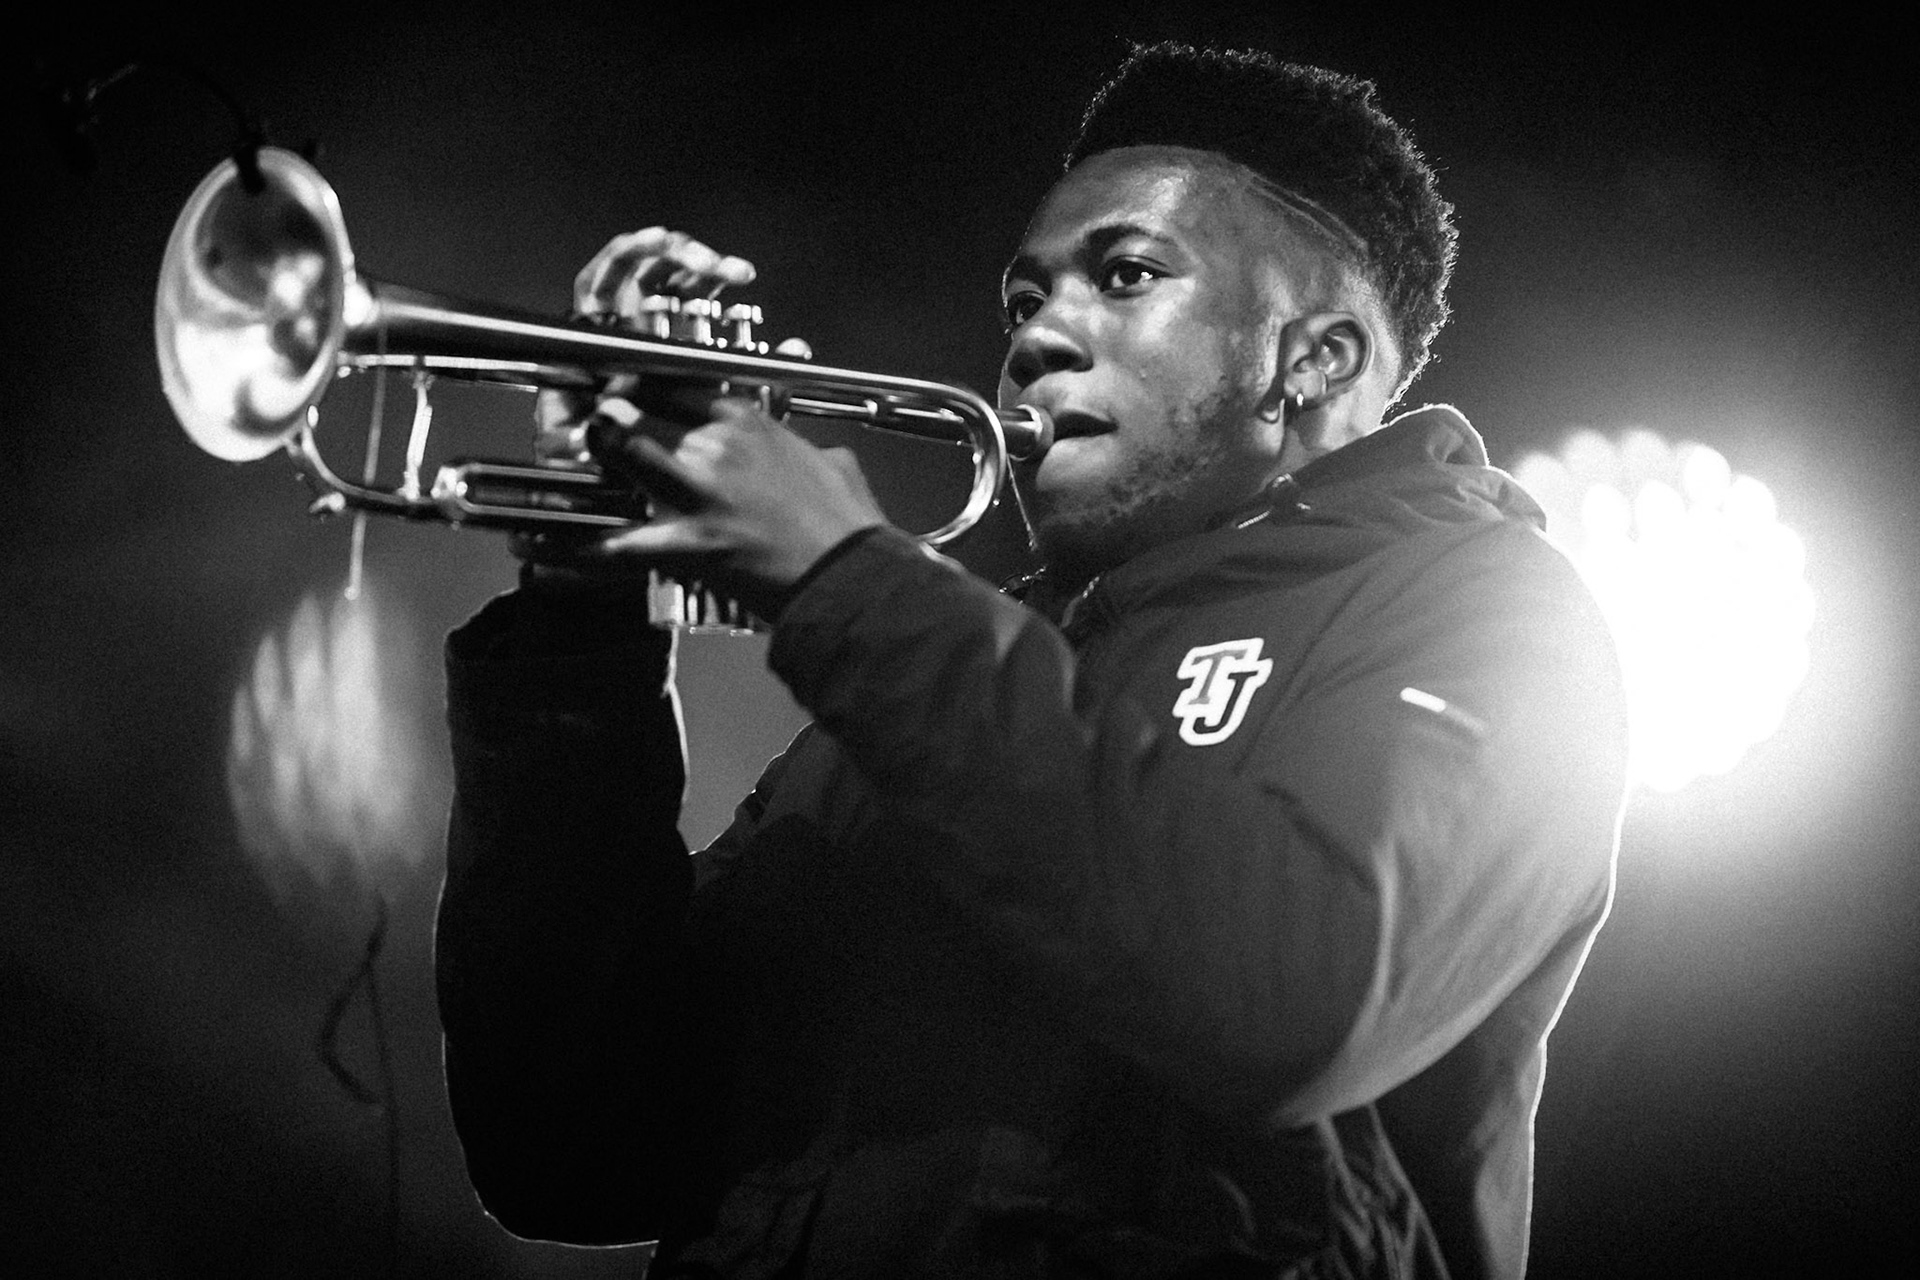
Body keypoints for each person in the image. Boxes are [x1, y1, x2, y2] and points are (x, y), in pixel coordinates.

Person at [434, 43, 1629, 1280]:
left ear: (1314, 359)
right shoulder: (904, 688)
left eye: (1125, 274)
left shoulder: (1488, 608)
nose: (1039, 336)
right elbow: (565, 1146)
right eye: (1022, 299)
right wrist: (581, 615)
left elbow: (1295, 999)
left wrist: (847, 580)